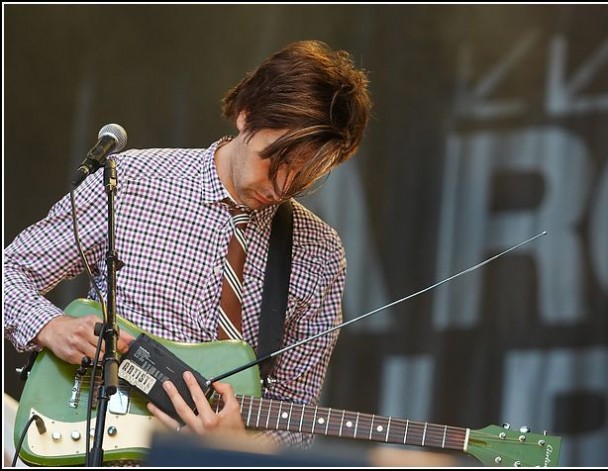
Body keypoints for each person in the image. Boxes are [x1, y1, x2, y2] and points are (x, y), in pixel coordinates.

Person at [4, 39, 372, 448]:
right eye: (277, 161)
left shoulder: (320, 252)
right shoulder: (132, 181)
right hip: (88, 441)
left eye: (303, 176)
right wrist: (48, 326)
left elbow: (295, 412)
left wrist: (245, 445)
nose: (284, 187)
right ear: (246, 114)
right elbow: (9, 273)